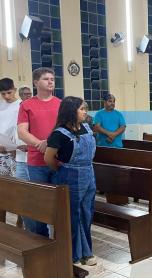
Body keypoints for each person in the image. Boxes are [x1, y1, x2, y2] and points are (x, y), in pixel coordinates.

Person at [44, 96, 97, 266]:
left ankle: (87, 251)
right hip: (69, 176)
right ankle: (74, 253)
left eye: (85, 108)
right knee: (73, 216)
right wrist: (62, 170)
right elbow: (49, 158)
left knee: (86, 213)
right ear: (71, 111)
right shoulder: (59, 134)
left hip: (89, 173)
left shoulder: (87, 128)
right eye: (81, 109)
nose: (85, 112)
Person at [17, 67, 61, 237]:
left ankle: (59, 240)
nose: (50, 81)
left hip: (59, 160)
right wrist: (40, 144)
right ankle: (42, 241)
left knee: (59, 203)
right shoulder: (27, 105)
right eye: (46, 79)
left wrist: (49, 144)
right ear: (36, 82)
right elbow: (22, 131)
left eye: (52, 79)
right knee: (41, 204)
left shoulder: (60, 103)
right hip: (36, 162)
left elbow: (65, 128)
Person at [0, 78, 21, 177]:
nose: (6, 96)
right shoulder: (0, 105)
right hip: (1, 148)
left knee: (15, 183)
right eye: (3, 94)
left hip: (15, 150)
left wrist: (15, 148)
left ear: (15, 90)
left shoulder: (22, 105)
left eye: (9, 92)